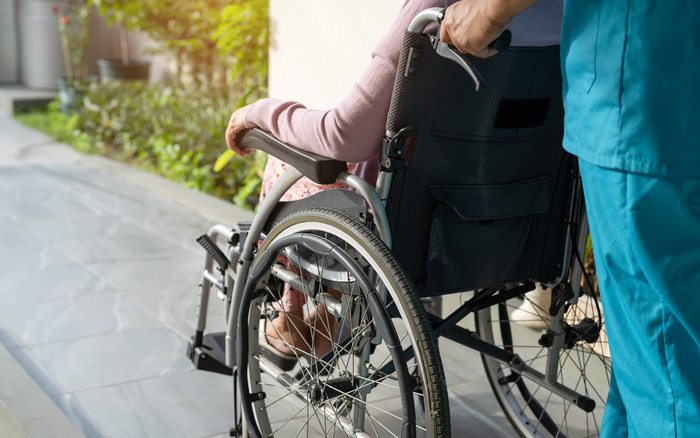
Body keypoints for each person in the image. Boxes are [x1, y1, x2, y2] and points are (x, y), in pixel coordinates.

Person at [224, 0, 563, 360]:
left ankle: (288, 316)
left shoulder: (438, 9)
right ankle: (325, 312)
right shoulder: (570, 13)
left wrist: (257, 113)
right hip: (516, 225)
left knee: (284, 161)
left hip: (409, 233)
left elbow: (343, 135)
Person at [441, 0, 700, 436]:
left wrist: (488, 11)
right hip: (665, 86)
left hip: (643, 93)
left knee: (668, 373)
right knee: (654, 360)